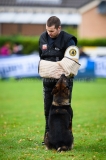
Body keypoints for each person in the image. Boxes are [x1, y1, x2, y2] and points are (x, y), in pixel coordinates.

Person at [38, 16, 77, 144]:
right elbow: (42, 57)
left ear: (59, 28)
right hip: (48, 80)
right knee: (47, 110)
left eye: (52, 31)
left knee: (64, 111)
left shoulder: (68, 40)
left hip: (63, 82)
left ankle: (67, 137)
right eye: (47, 30)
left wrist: (57, 67)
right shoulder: (43, 38)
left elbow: (72, 61)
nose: (49, 33)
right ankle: (48, 137)